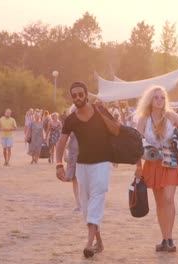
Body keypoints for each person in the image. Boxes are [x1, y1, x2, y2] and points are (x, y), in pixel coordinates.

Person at [56, 81, 113, 258]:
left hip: (102, 163)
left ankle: (89, 244)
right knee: (87, 205)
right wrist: (59, 164)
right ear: (72, 98)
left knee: (97, 198)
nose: (78, 98)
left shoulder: (100, 110)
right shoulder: (71, 119)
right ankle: (99, 240)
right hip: (82, 165)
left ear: (86, 94)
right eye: (75, 95)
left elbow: (116, 129)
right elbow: (61, 142)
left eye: (81, 94)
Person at [135, 85, 178, 253]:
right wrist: (138, 165)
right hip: (153, 163)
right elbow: (135, 143)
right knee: (160, 202)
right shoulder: (144, 119)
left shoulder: (170, 116)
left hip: (171, 161)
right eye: (156, 97)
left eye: (162, 97)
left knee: (168, 198)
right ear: (150, 100)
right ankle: (165, 239)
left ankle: (170, 238)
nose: (160, 100)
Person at [63, 105, 81, 211]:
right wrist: (65, 154)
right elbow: (63, 141)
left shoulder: (86, 123)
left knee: (83, 180)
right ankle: (78, 204)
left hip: (83, 156)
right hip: (73, 157)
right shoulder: (70, 125)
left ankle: (84, 202)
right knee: (75, 181)